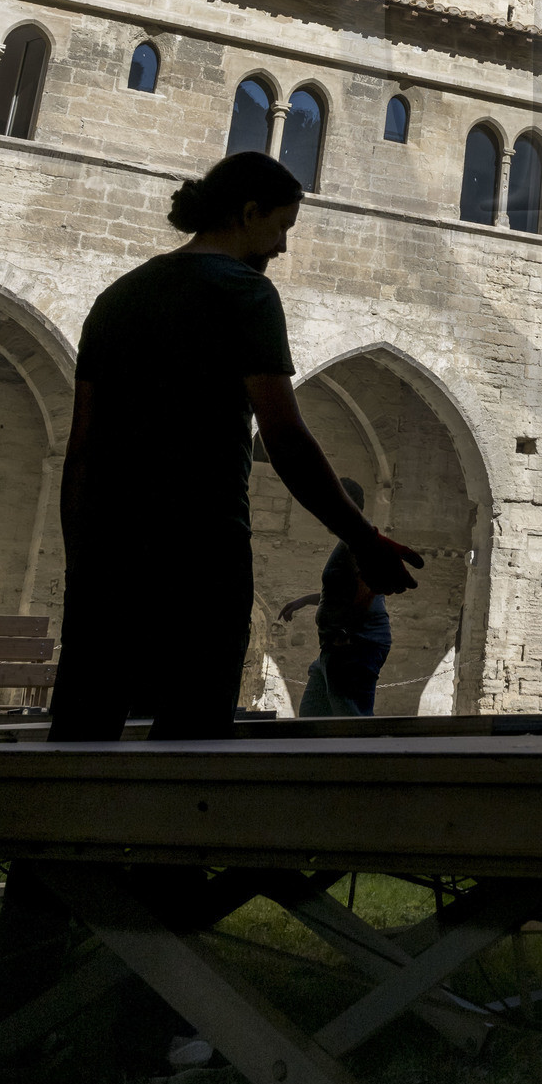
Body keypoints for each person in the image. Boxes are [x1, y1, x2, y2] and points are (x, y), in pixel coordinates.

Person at [49, 149, 423, 742]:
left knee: (81, 731)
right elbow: (285, 436)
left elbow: (82, 449)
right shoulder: (244, 293)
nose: (281, 247)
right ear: (250, 213)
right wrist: (363, 538)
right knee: (188, 738)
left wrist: (83, 563)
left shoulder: (117, 297)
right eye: (281, 227)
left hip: (106, 552)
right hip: (201, 551)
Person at [279, 477, 394, 717]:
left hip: (354, 647)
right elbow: (340, 593)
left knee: (350, 717)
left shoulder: (360, 538)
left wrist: (345, 633)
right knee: (312, 714)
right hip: (334, 648)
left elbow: (367, 590)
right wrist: (303, 602)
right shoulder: (349, 540)